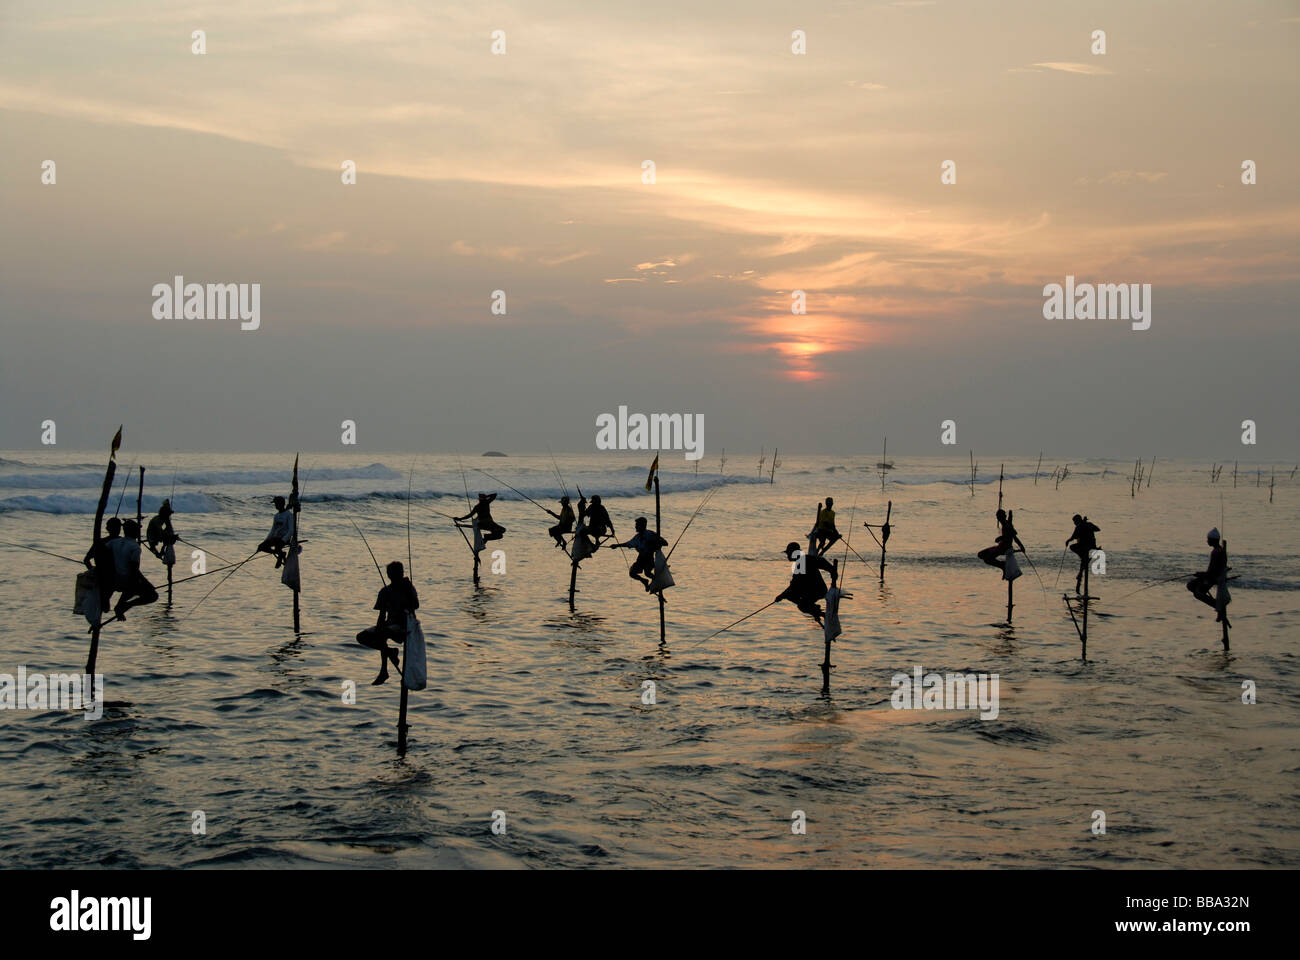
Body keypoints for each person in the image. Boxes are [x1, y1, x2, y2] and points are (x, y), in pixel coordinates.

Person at [356, 561, 420, 686]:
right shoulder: (385, 591)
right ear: (389, 575)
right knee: (362, 636)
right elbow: (381, 615)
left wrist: (408, 591)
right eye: (392, 574)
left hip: (405, 626)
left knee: (383, 632)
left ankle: (384, 671)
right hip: (389, 625)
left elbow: (416, 606)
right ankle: (389, 656)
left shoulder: (408, 588)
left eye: (398, 573)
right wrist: (379, 628)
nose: (395, 576)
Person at [776, 541, 838, 625]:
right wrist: (832, 570)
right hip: (812, 590)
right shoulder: (803, 560)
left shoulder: (803, 561)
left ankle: (817, 612)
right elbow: (822, 561)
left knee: (802, 605)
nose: (787, 556)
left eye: (788, 553)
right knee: (791, 596)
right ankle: (816, 610)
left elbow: (794, 586)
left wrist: (781, 596)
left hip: (817, 591)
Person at [109, 519, 159, 620]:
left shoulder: (113, 543)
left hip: (113, 580)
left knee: (132, 587)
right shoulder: (135, 547)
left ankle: (120, 606)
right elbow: (134, 571)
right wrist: (148, 584)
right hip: (126, 581)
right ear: (135, 532)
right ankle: (126, 605)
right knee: (153, 595)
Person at [1188, 528, 1231, 625]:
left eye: (1208, 539)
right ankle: (1217, 606)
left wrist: (1201, 574)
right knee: (1191, 586)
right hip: (1212, 576)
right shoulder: (1219, 550)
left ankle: (1218, 607)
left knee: (1197, 593)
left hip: (1212, 578)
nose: (1207, 541)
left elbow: (1212, 571)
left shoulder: (1216, 552)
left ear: (1213, 540)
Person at [83, 516, 122, 621]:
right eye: (117, 528)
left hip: (104, 575)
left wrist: (93, 570)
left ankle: (104, 601)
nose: (118, 530)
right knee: (104, 598)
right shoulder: (121, 541)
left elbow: (86, 560)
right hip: (113, 575)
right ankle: (106, 602)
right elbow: (86, 559)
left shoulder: (100, 541)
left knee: (103, 598)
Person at [616, 517, 668, 591]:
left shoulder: (650, 534)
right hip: (640, 558)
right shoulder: (637, 537)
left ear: (643, 525)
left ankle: (656, 581)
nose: (635, 527)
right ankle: (644, 581)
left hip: (649, 558)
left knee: (647, 573)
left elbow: (665, 543)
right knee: (632, 573)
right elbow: (628, 544)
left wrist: (656, 542)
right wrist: (617, 545)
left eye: (637, 525)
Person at [1065, 514, 1101, 593]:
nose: (1074, 523)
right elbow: (1097, 529)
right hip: (1091, 545)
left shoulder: (1079, 527)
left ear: (1077, 521)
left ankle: (1082, 566)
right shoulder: (1088, 524)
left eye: (1074, 522)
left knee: (1072, 547)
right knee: (1084, 560)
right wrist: (1086, 524)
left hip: (1084, 546)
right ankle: (1081, 572)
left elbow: (1073, 537)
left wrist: (1067, 541)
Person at [257, 496, 295, 567]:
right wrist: (265, 541)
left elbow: (291, 530)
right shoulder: (276, 516)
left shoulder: (288, 515)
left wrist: (283, 540)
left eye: (276, 504)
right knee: (261, 547)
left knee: (278, 547)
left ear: (281, 504)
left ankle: (280, 554)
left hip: (284, 539)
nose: (275, 505)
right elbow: (273, 530)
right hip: (275, 539)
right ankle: (281, 554)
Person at [146, 499, 179, 564]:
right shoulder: (157, 520)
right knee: (154, 544)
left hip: (159, 534)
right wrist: (169, 535)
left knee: (169, 534)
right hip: (152, 535)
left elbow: (169, 528)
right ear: (164, 514)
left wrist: (172, 534)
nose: (169, 516)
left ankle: (163, 549)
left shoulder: (165, 518)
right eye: (168, 514)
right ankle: (159, 551)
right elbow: (159, 531)